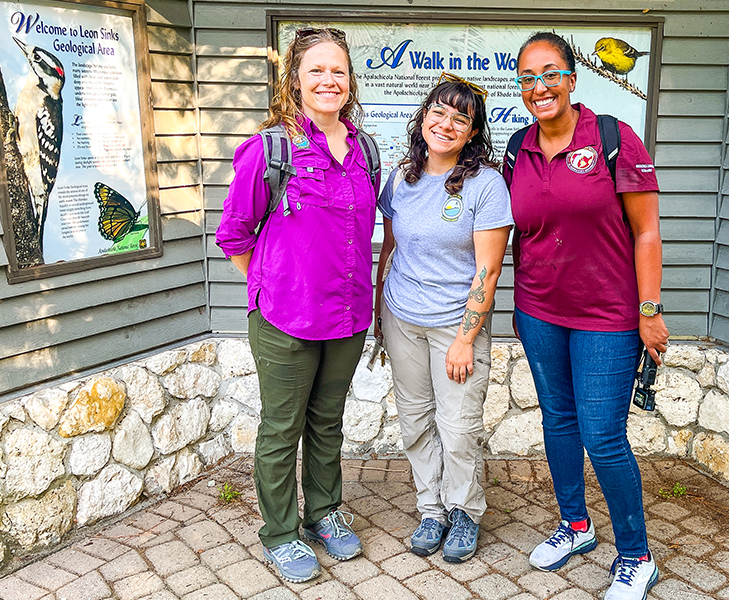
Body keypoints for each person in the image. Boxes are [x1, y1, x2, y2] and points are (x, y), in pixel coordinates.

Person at [503, 32, 668, 600]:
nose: (538, 86)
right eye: (527, 77)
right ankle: (575, 525)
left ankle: (636, 555)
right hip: (540, 311)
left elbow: (647, 231)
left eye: (549, 73)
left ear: (572, 79)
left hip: (608, 317)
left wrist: (649, 310)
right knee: (558, 421)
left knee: (603, 437)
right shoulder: (516, 148)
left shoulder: (613, 138)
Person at [215, 27, 377, 583]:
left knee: (327, 422)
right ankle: (281, 532)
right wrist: (267, 285)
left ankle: (324, 512)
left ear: (349, 80)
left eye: (338, 70)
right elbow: (234, 234)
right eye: (316, 71)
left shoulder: (364, 150)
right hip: (285, 318)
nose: (329, 81)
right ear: (296, 80)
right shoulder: (271, 149)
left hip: (348, 315)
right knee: (282, 430)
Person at [375, 73, 513, 563]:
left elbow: (488, 269)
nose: (447, 123)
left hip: (457, 324)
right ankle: (430, 508)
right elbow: (390, 249)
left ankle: (464, 512)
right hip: (402, 318)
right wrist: (378, 314)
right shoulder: (400, 178)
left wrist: (464, 338)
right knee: (415, 420)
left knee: (457, 427)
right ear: (424, 116)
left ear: (473, 132)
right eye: (439, 111)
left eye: (461, 118)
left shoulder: (486, 185)